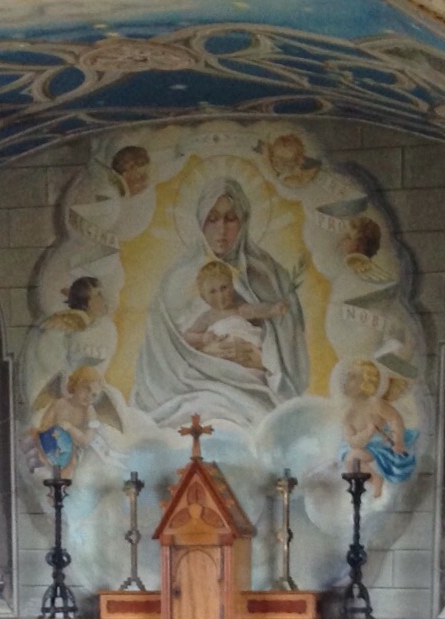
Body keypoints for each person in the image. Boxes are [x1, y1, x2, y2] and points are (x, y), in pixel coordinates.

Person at [134, 176, 307, 428]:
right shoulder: (176, 279)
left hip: (255, 384)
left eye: (231, 218)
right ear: (200, 222)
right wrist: (205, 352)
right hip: (191, 386)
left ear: (244, 220)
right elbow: (160, 355)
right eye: (212, 219)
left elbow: (292, 354)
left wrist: (261, 359)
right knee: (201, 414)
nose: (222, 230)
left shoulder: (271, 275)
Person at [181, 260, 288, 374]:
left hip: (246, 355)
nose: (220, 295)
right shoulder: (207, 317)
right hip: (221, 359)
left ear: (232, 287)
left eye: (224, 288)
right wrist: (202, 338)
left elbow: (259, 310)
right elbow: (187, 336)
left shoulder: (240, 309)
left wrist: (273, 309)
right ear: (204, 297)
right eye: (212, 291)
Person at [339, 359, 414, 499]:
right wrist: (367, 433)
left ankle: (376, 479)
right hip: (363, 447)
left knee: (351, 457)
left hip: (383, 446)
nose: (346, 381)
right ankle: (372, 480)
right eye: (348, 377)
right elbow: (352, 441)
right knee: (349, 458)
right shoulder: (349, 412)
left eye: (353, 377)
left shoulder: (375, 403)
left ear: (365, 382)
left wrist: (398, 440)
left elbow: (395, 419)